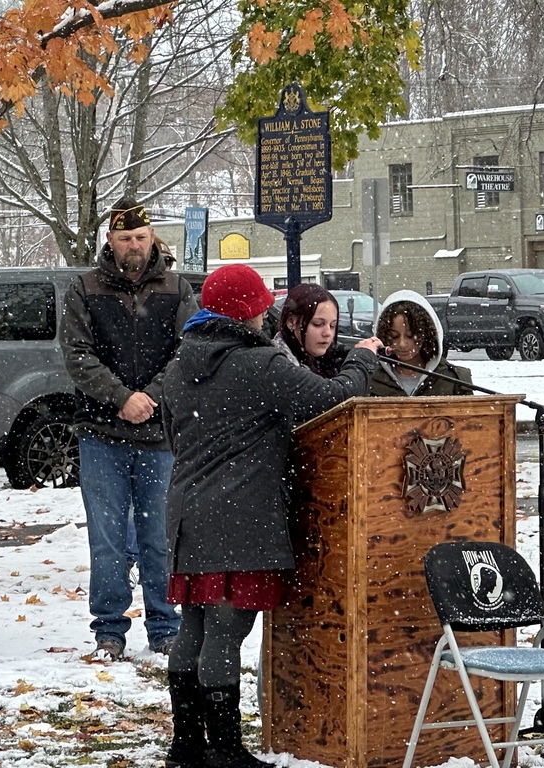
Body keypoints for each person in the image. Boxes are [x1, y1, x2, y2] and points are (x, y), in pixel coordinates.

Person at [161, 264, 381, 768]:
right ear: (245, 311)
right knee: (226, 632)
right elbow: (330, 398)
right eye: (261, 304)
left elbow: (176, 438)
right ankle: (226, 751)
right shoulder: (257, 364)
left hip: (187, 513)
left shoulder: (178, 366)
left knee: (193, 629)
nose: (268, 312)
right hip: (241, 515)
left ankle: (187, 746)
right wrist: (362, 362)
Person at [61, 197, 198, 660]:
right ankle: (109, 630)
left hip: (160, 437)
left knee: (160, 536)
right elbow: (78, 356)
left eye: (140, 237)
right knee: (106, 539)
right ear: (110, 241)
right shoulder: (85, 289)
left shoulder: (178, 291)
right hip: (101, 435)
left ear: (153, 237)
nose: (134, 246)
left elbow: (188, 354)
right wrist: (121, 398)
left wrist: (150, 397)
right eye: (125, 238)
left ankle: (165, 626)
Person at [370, 289, 474, 396]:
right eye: (394, 336)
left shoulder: (454, 380)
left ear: (426, 334)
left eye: (410, 335)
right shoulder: (368, 379)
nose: (402, 343)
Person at [274, 283, 348, 377]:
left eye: (333, 325)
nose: (328, 333)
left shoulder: (328, 359)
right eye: (318, 324)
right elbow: (332, 390)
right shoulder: (280, 365)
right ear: (291, 322)